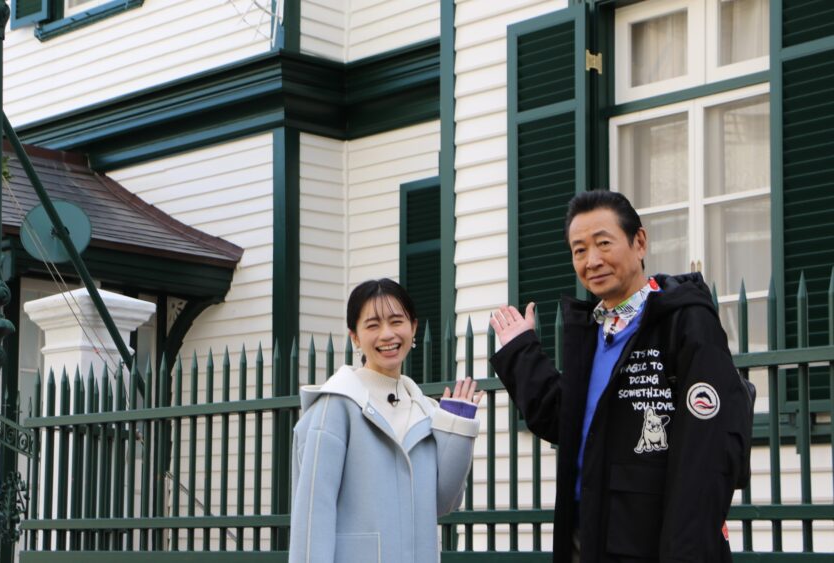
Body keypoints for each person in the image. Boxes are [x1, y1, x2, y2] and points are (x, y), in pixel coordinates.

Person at [489, 191, 752, 562]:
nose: (592, 260)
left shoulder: (686, 321)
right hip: (588, 535)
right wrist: (520, 351)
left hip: (653, 541)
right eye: (579, 250)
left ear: (639, 242)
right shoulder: (594, 330)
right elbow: (563, 420)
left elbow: (706, 453)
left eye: (603, 243)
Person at [289, 278, 482, 563]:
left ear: (413, 327)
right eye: (372, 325)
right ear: (355, 336)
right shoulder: (336, 405)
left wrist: (458, 425)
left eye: (396, 321)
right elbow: (313, 512)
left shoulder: (425, 411)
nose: (387, 334)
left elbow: (443, 503)